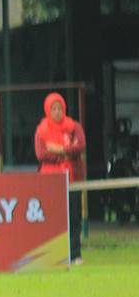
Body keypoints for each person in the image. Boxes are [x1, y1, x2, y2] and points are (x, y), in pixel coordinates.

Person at [35, 92, 86, 265]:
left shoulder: (74, 127)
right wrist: (64, 156)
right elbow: (42, 153)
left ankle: (75, 254)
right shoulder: (42, 130)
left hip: (73, 179)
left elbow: (81, 146)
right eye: (53, 108)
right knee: (53, 217)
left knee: (74, 215)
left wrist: (58, 149)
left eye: (59, 108)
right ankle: (54, 256)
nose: (57, 111)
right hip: (50, 181)